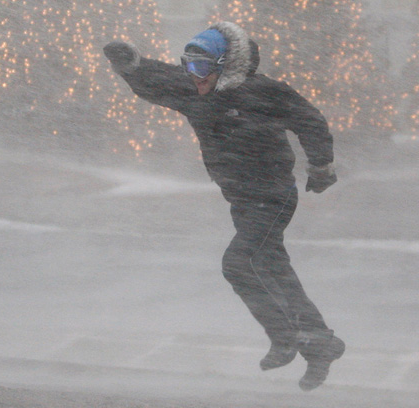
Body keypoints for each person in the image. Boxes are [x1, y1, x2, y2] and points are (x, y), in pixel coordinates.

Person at [103, 22, 345, 391]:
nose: (193, 76)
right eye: (189, 66)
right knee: (271, 266)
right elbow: (159, 81)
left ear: (226, 64)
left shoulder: (262, 91)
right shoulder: (197, 92)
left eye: (201, 68)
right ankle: (319, 344)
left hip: (274, 194)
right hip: (240, 197)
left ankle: (286, 337)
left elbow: (309, 120)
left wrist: (320, 165)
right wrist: (132, 66)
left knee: (239, 263)